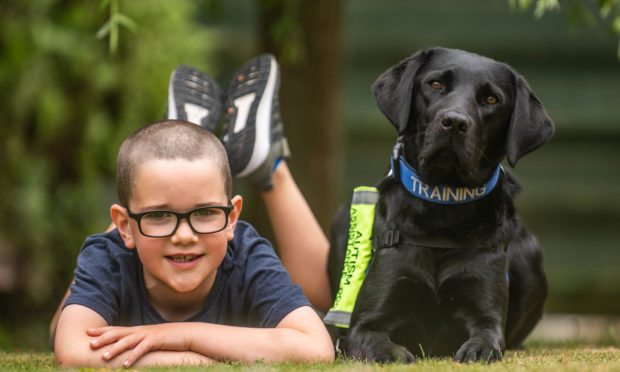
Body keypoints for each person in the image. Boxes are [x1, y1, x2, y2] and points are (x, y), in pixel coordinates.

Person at [52, 54, 334, 368]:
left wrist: (181, 335)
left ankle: (186, 149)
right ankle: (182, 145)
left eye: (205, 213)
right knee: (58, 328)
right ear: (124, 226)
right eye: (158, 215)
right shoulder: (109, 255)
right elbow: (73, 352)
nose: (184, 237)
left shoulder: (245, 251)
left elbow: (316, 348)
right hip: (125, 240)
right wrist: (196, 361)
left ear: (232, 219)